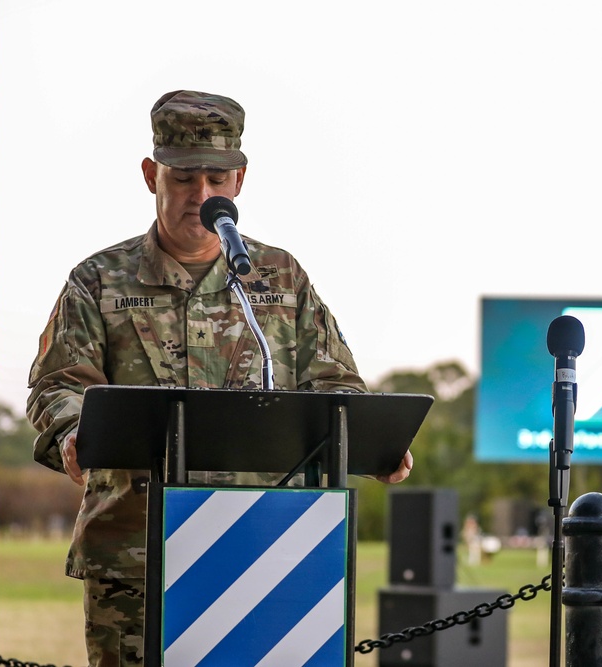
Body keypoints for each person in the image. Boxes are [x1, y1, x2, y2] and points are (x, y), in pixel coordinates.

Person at [26, 89, 413, 666]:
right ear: (150, 174)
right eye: (182, 178)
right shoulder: (98, 280)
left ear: (240, 180)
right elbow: (57, 384)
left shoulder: (278, 276)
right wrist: (73, 429)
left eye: (216, 178)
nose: (200, 195)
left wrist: (372, 440)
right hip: (138, 553)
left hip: (268, 549)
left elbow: (335, 385)